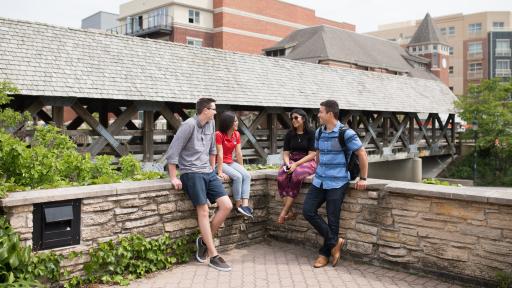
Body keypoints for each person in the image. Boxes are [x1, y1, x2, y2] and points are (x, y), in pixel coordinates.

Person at [166, 98, 233, 272]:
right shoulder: (188, 125)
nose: (216, 112)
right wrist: (174, 177)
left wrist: (213, 170)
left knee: (226, 205)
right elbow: (173, 152)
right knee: (203, 210)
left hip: (207, 172)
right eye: (214, 109)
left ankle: (203, 240)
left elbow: (211, 149)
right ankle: (213, 255)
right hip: (191, 172)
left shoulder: (210, 124)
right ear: (205, 110)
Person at [302, 100, 368, 268]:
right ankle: (335, 242)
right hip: (319, 180)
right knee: (308, 211)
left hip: (338, 181)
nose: (318, 115)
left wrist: (364, 178)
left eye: (320, 112)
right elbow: (318, 153)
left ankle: (324, 254)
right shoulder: (318, 132)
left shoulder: (346, 133)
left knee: (333, 220)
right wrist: (316, 169)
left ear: (330, 114)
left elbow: (361, 153)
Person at [276, 109, 316, 224]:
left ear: (303, 119)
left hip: (307, 161)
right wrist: (288, 164)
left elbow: (312, 154)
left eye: (296, 118)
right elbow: (286, 153)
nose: (293, 120)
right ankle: (291, 212)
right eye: (292, 118)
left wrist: (296, 165)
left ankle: (284, 211)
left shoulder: (311, 133)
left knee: (297, 175)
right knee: (281, 177)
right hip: (292, 160)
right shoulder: (290, 134)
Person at [215, 111, 253, 218]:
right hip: (220, 163)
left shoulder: (236, 134)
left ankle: (245, 206)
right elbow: (220, 154)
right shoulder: (219, 135)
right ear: (228, 123)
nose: (237, 123)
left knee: (246, 175)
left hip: (230, 162)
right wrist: (220, 171)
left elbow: (238, 153)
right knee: (238, 177)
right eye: (235, 121)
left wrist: (242, 167)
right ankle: (238, 205)